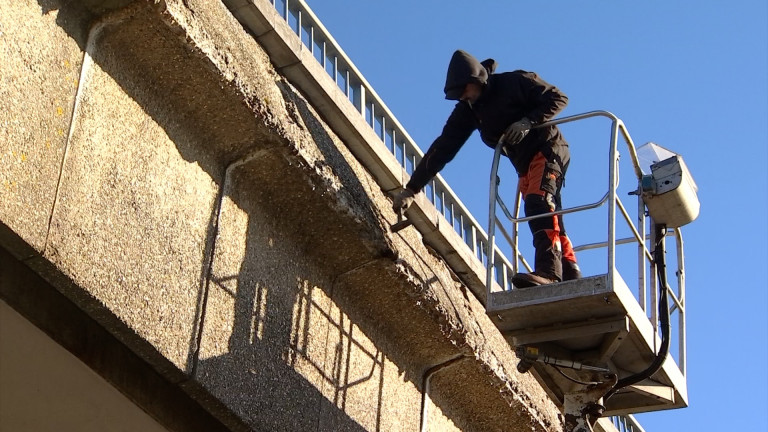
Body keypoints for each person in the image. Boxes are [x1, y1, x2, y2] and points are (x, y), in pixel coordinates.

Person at [392, 50, 581, 287]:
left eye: (464, 91)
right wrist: (412, 188)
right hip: (523, 165)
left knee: (539, 202)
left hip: (548, 149)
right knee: (546, 210)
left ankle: (550, 273)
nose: (463, 98)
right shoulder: (469, 110)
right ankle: (569, 269)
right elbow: (444, 147)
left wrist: (528, 121)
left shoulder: (514, 82)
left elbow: (558, 97)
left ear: (476, 80)